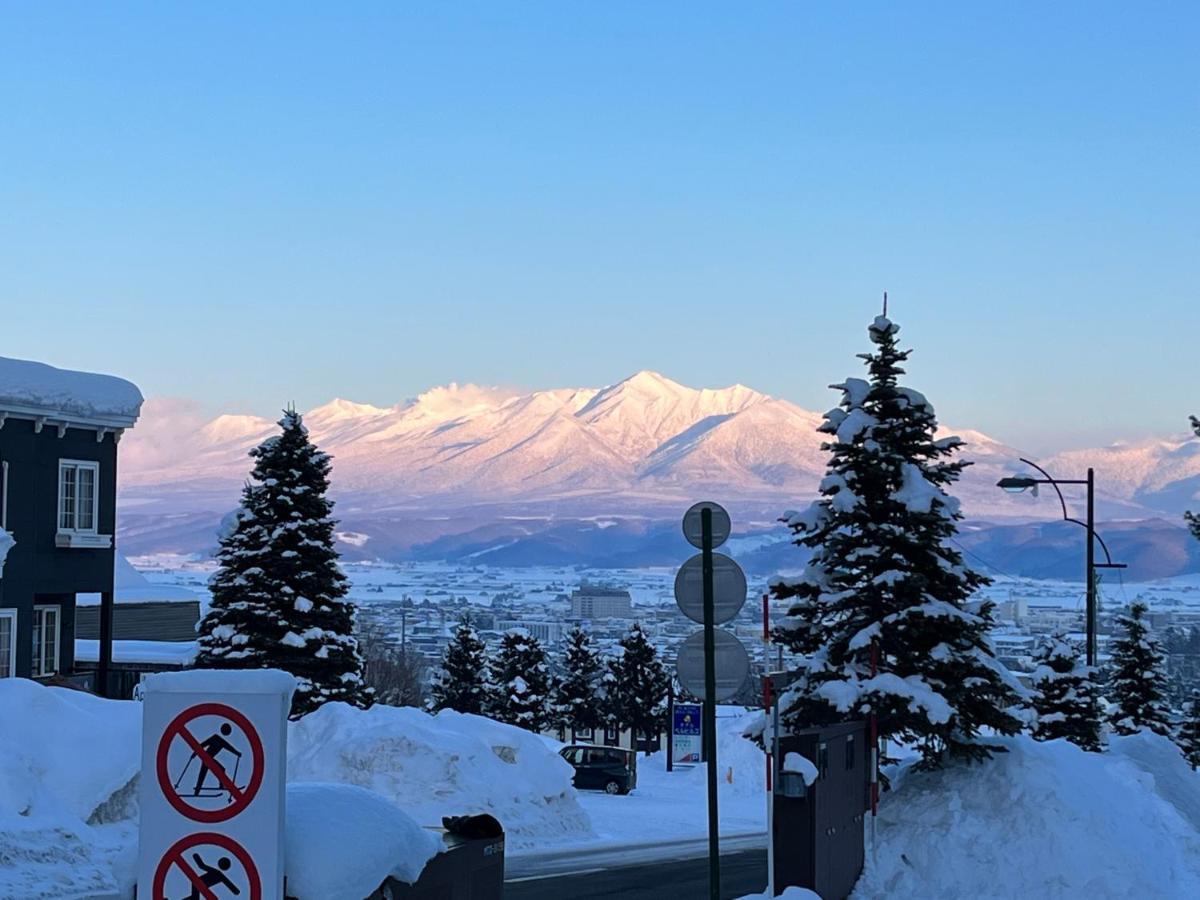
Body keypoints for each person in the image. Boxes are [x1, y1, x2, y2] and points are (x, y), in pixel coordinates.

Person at [186, 723, 243, 797]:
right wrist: (194, 753)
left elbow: (230, 748)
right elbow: (202, 745)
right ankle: (198, 791)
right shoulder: (215, 738)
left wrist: (237, 753)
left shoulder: (222, 742)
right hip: (206, 757)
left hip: (209, 759)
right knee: (205, 774)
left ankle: (198, 791)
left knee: (205, 774)